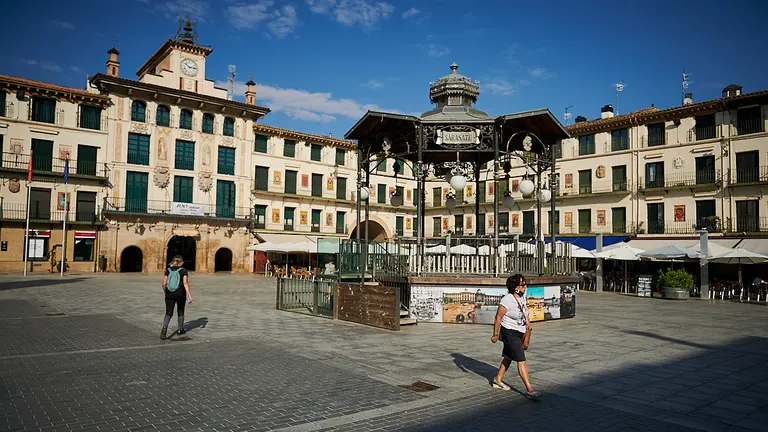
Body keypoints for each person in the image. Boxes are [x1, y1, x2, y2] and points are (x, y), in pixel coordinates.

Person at [491, 273, 542, 399]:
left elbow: (525, 314)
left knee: (509, 357)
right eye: (523, 285)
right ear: (516, 287)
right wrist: (495, 334)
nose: (525, 287)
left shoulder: (522, 297)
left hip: (520, 331)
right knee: (521, 359)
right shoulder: (507, 300)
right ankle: (529, 389)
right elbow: (498, 317)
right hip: (509, 332)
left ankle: (498, 379)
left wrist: (528, 330)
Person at [160, 255, 193, 340]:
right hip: (180, 294)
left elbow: (164, 283)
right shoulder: (183, 271)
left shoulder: (168, 270)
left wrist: (165, 292)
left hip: (169, 294)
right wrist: (189, 295)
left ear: (173, 261)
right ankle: (180, 330)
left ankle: (164, 329)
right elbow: (185, 283)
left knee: (168, 312)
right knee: (180, 310)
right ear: (181, 262)